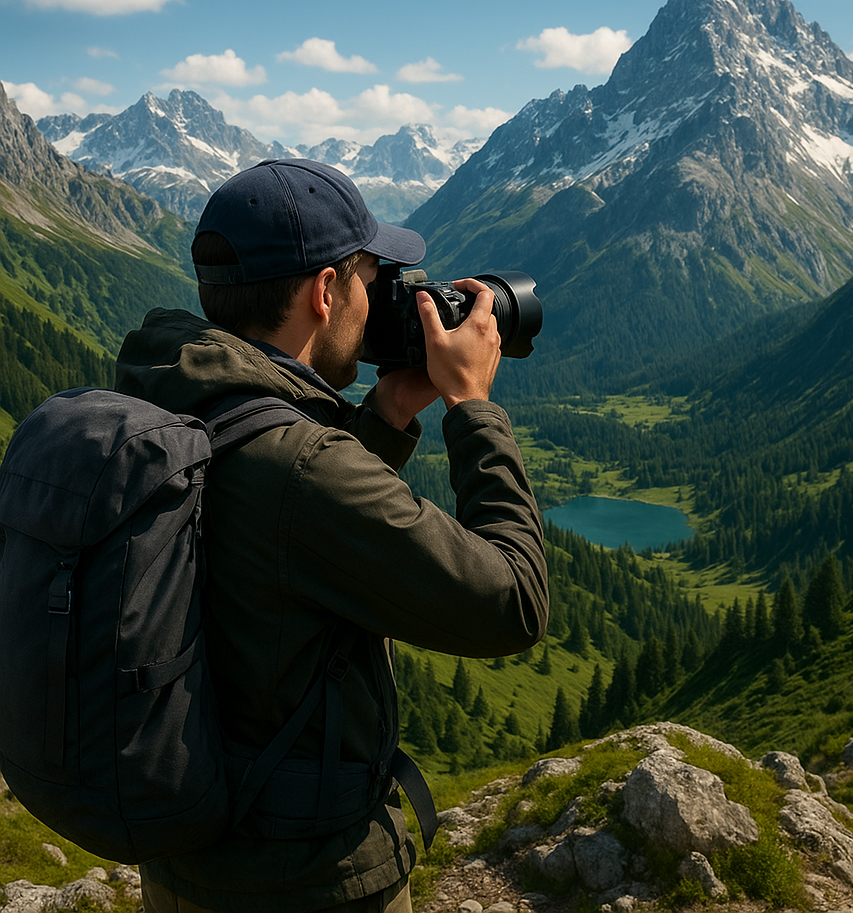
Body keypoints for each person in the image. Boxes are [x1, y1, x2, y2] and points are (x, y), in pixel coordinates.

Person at [114, 158, 548, 913]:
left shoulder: (181, 395)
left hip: (194, 865)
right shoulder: (299, 467)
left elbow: (271, 537)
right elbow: (512, 603)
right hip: (308, 881)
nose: (387, 301)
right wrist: (472, 407)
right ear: (324, 292)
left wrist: (385, 416)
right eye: (374, 279)